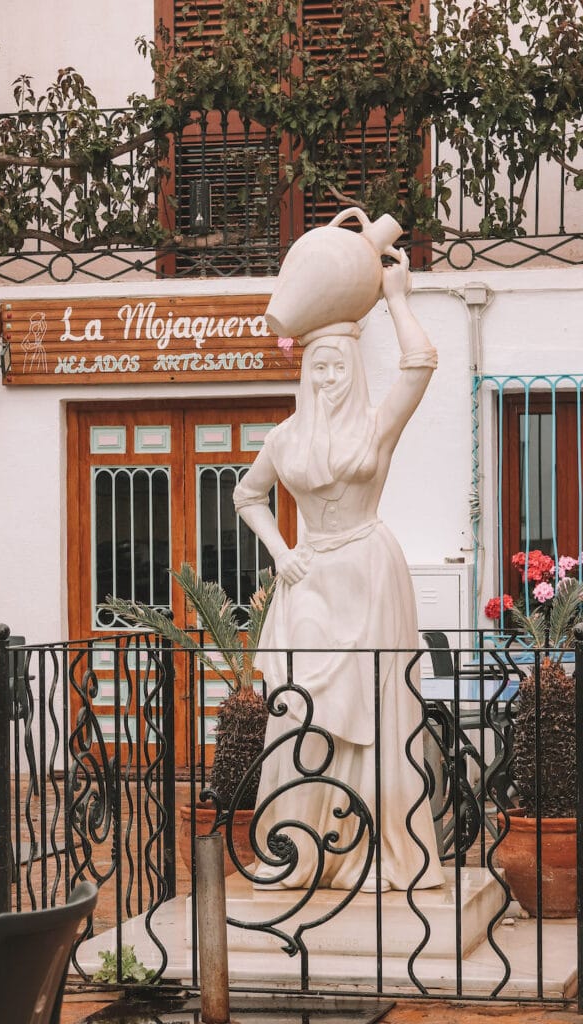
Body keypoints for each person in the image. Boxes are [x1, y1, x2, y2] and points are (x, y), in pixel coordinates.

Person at [233, 251, 444, 892]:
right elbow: (247, 496)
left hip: (369, 573)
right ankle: (303, 847)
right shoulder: (285, 438)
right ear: (305, 370)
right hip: (308, 582)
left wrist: (397, 296)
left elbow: (420, 364)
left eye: (338, 366)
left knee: (375, 713)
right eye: (317, 365)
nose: (327, 377)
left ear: (353, 369)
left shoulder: (378, 426)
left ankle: (378, 846)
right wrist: (279, 549)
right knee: (302, 710)